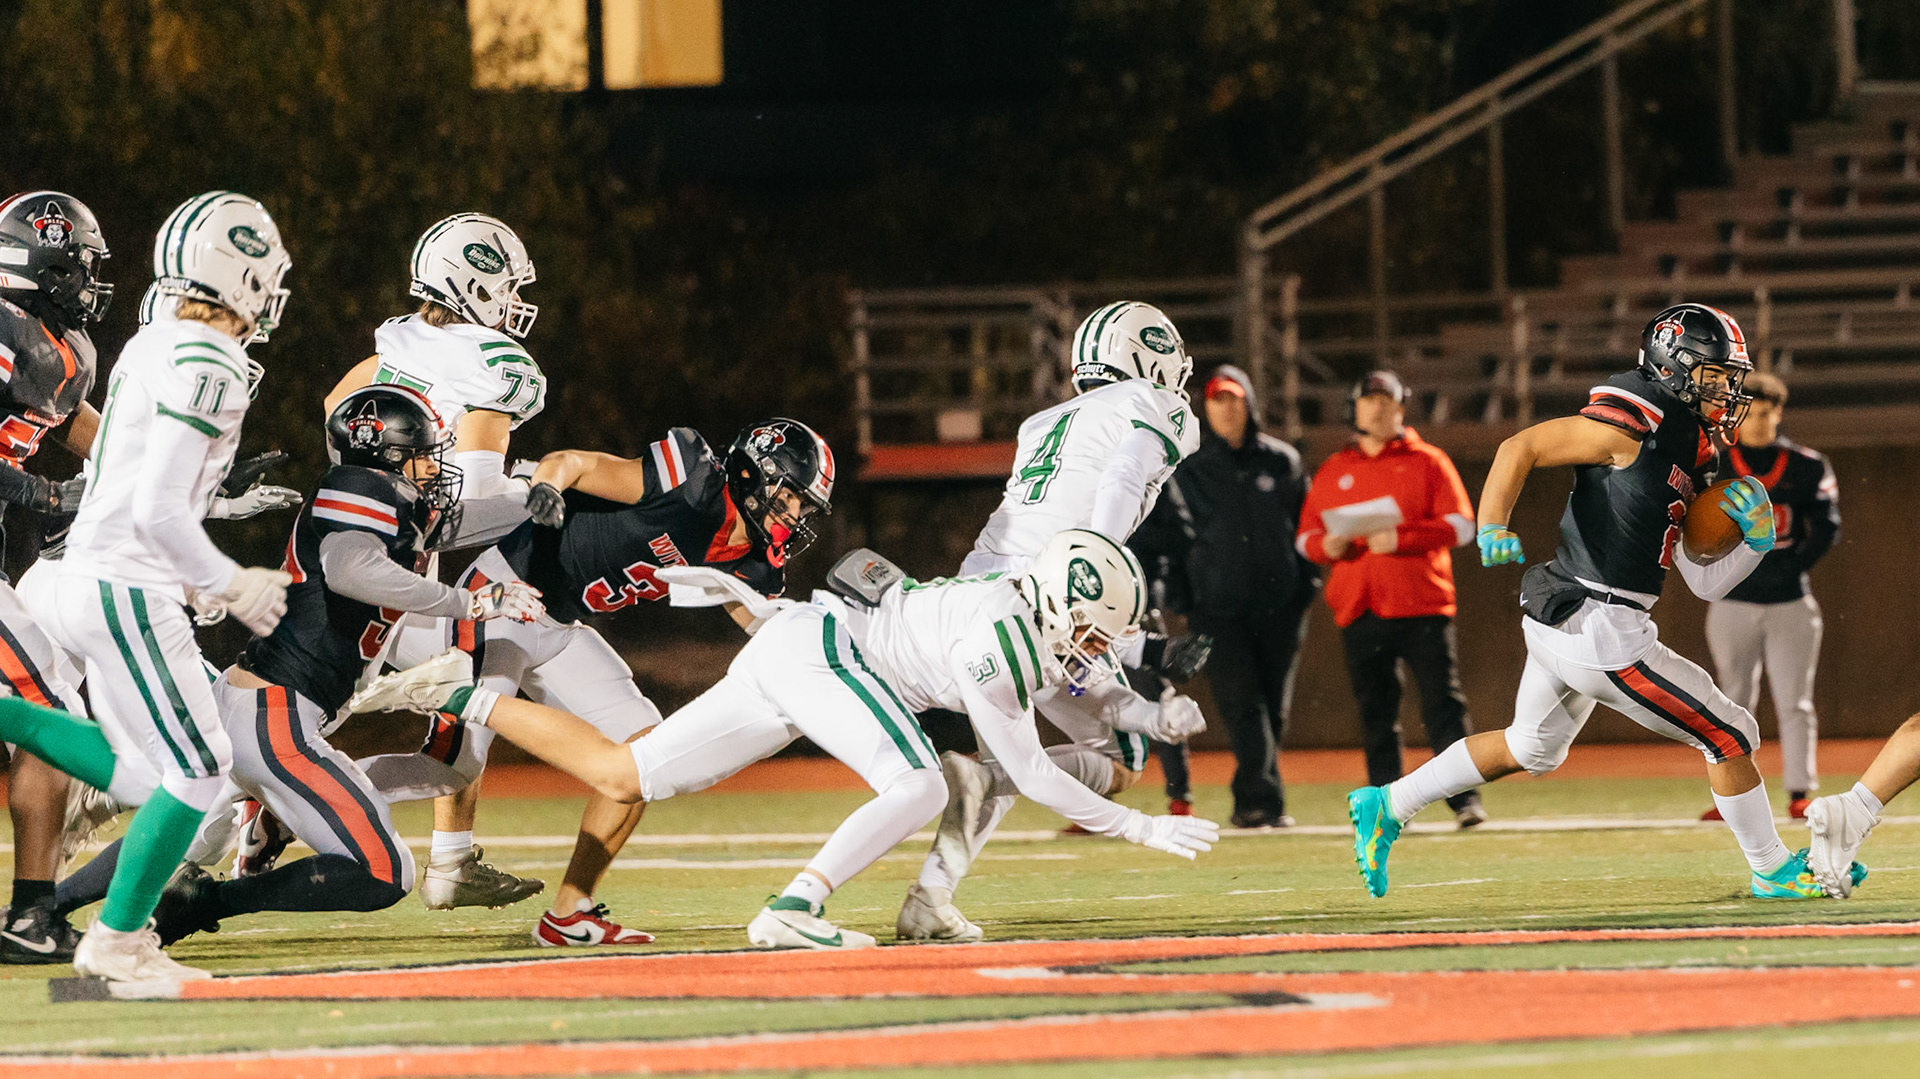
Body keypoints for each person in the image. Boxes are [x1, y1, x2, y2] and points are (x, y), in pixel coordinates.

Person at [351, 529, 1221, 949]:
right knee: (920, 782)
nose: (1095, 649)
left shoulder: (1016, 620)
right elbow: (1027, 770)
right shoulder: (998, 642)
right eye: (1094, 630)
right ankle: (794, 909)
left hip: (801, 650)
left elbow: (1070, 683)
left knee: (628, 774)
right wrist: (1140, 825)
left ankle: (458, 694)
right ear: (1061, 606)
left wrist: (1147, 716)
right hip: (824, 654)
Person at [1347, 304, 1865, 901]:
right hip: (1599, 623)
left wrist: (1755, 544)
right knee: (1729, 732)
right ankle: (1772, 868)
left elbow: (1704, 583)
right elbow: (1521, 446)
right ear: (1672, 367)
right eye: (1714, 374)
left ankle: (1389, 802)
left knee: (1531, 747)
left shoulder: (1696, 446)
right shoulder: (1638, 417)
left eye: (1730, 377)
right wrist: (1492, 524)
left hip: (1570, 619)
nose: (1726, 390)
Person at [52, 387, 546, 942]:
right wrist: (470, 601)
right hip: (275, 717)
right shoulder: (360, 487)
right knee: (386, 872)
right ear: (384, 452)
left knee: (177, 837)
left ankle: (41, 911)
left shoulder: (390, 497)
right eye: (423, 454)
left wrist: (540, 499)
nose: (435, 466)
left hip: (250, 704)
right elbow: (349, 570)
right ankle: (204, 901)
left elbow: (458, 524)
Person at [352, 418, 832, 947]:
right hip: (507, 595)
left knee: (643, 750)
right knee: (454, 766)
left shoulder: (752, 560)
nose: (794, 515)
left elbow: (766, 631)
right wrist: (547, 489)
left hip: (560, 626)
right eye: (790, 497)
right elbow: (574, 463)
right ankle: (307, 794)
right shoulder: (692, 484)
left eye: (803, 507)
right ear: (750, 472)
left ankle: (569, 912)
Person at [0, 191, 295, 987]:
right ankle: (116, 941)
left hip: (82, 573)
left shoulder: (151, 339)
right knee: (199, 768)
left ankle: (69, 919)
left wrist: (198, 547)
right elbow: (156, 506)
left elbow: (124, 472)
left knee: (141, 771)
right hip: (122, 582)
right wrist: (229, 579)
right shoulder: (212, 361)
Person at [906, 301, 1210, 942]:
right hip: (1054, 596)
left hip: (978, 588)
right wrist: (1099, 564)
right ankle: (972, 804)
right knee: (1119, 757)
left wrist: (1134, 645)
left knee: (1007, 751)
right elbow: (1124, 473)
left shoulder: (1043, 422)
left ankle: (932, 896)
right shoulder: (1156, 404)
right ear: (1149, 355)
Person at [317, 212, 546, 910]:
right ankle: (250, 818)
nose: (514, 302)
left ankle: (452, 857)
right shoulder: (488, 363)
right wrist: (538, 491)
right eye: (507, 286)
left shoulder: (396, 344)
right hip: (399, 574)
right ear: (475, 285)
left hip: (350, 546)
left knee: (476, 679)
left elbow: (336, 406)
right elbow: (470, 502)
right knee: (470, 703)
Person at [0, 191, 111, 964]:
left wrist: (188, 474)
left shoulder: (55, 343)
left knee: (51, 700)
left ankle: (32, 911)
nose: (91, 280)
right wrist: (46, 495)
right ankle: (30, 913)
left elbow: (80, 426)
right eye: (81, 264)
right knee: (51, 710)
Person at [1297, 371, 1484, 827]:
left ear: (1402, 409)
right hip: (1360, 606)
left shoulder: (1429, 461)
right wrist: (1327, 547)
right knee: (1376, 714)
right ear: (1355, 408)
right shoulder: (1335, 467)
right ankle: (1389, 805)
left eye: (1388, 401)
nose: (1379, 408)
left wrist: (1402, 538)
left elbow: (1463, 525)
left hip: (1422, 604)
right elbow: (1305, 538)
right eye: (1370, 400)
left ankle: (1465, 801)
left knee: (1442, 706)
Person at [1132, 365, 1315, 828]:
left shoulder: (1282, 461)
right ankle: (1259, 802)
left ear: (1249, 403)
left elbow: (1308, 525)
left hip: (1279, 605)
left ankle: (1257, 797)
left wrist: (1306, 587)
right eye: (1218, 400)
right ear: (1206, 409)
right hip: (1216, 609)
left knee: (1274, 706)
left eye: (1234, 398)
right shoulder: (1190, 468)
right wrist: (1184, 600)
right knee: (1243, 702)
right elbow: (1174, 535)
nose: (1227, 408)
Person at [1698, 373, 1838, 822]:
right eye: (1750, 413)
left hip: (1789, 601)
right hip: (1732, 599)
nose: (1758, 422)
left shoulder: (1806, 464)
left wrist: (1792, 567)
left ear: (1779, 413)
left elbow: (1827, 526)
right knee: (1730, 699)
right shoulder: (1714, 463)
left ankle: (1800, 791)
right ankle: (1731, 794)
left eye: (1766, 413)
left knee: (1794, 700)